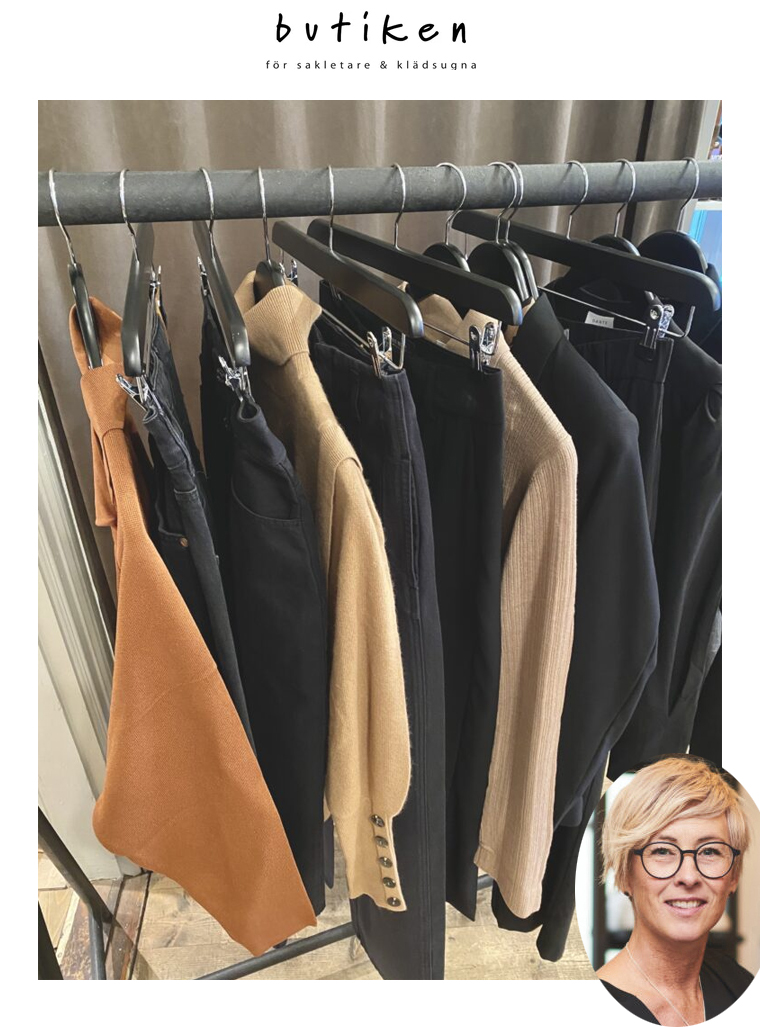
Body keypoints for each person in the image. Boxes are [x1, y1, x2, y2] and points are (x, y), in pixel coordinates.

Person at [597, 756, 754, 1024]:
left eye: (710, 851)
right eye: (662, 851)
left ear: (733, 876)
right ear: (624, 875)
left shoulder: (740, 985)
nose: (689, 877)